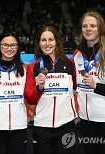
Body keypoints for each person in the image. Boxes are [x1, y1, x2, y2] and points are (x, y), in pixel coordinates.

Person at [73, 11, 105, 154]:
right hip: (85, 120)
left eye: (93, 26)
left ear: (100, 29)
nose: (88, 29)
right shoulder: (77, 54)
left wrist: (97, 87)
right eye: (85, 26)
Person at [24, 26, 77, 154]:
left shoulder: (70, 64)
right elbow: (30, 98)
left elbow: (76, 88)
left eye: (50, 39)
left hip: (66, 125)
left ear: (57, 41)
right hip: (42, 126)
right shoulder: (33, 67)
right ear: (39, 43)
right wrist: (39, 88)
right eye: (43, 40)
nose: (47, 44)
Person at [0, 32, 28, 154]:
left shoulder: (24, 69)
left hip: (19, 127)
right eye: (5, 45)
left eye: (13, 45)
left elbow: (30, 96)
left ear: (18, 47)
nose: (9, 48)